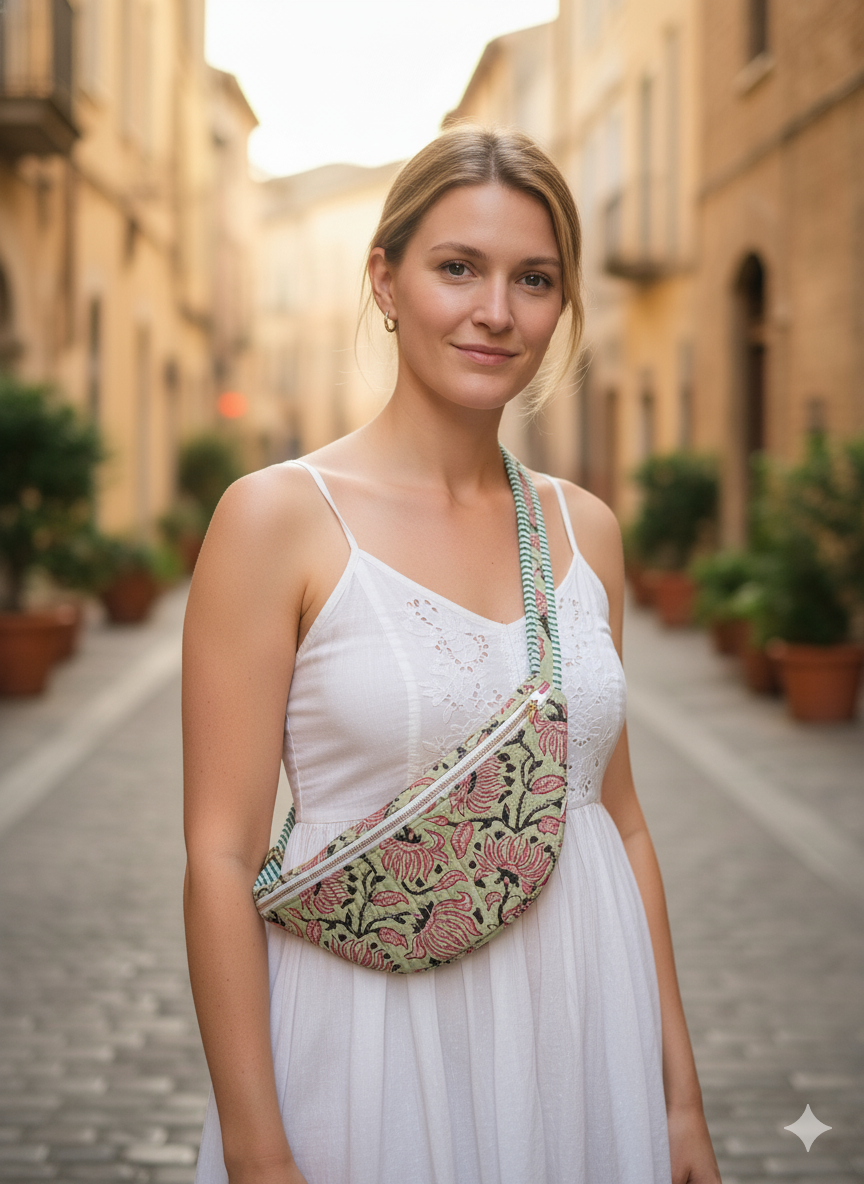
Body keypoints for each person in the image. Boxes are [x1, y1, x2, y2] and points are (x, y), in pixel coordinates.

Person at [184, 126, 721, 1184]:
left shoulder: (585, 530)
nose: (497, 311)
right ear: (385, 279)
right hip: (374, 1040)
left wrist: (679, 1100)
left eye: (534, 278)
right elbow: (218, 856)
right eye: (458, 268)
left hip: (580, 1033)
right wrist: (257, 1150)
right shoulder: (279, 517)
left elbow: (619, 817)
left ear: (561, 305)